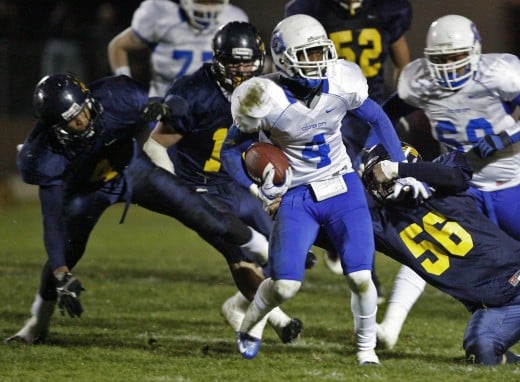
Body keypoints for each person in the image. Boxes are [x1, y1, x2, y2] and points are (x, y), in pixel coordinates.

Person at [381, 14, 520, 348]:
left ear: (474, 51)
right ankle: (389, 328)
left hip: (508, 183)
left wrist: (505, 136)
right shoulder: (420, 81)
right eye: (441, 59)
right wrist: (392, 146)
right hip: (457, 185)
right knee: (429, 249)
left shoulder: (498, 73)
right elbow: (385, 114)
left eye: (456, 57)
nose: (449, 67)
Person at [4, 72, 271, 344]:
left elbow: (176, 106)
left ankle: (263, 247)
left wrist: (163, 108)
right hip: (86, 193)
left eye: (84, 111)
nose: (83, 121)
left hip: (132, 169)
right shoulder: (42, 154)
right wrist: (61, 273)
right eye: (73, 121)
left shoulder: (116, 97)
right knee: (66, 252)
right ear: (55, 128)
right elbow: (50, 220)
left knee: (200, 211)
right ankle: (37, 321)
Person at [219, 14, 406, 365]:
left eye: (321, 52)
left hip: (342, 186)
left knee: (362, 277)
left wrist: (400, 168)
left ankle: (366, 349)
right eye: (307, 54)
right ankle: (249, 325)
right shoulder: (263, 96)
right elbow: (229, 150)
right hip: (297, 195)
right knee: (285, 285)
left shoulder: (340, 80)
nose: (318, 61)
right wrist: (256, 189)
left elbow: (378, 117)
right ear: (285, 57)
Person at [362, 143, 520, 366]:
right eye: (379, 176)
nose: (386, 181)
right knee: (482, 353)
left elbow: (456, 174)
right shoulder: (380, 226)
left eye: (386, 172)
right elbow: (334, 220)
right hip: (496, 308)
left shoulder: (446, 185)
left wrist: (400, 171)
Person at [141, 21, 305, 343]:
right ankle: (279, 321)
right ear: (218, 60)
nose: (242, 71)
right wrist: (177, 193)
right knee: (241, 250)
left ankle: (236, 307)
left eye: (248, 63)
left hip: (238, 182)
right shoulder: (195, 93)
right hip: (198, 185)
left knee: (286, 253)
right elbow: (154, 144)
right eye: (234, 63)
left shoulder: (267, 87)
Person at [284, 0, 414, 302]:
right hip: (332, 104)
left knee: (376, 187)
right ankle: (361, 268)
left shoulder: (387, 9)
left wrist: (401, 102)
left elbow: (401, 61)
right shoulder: (311, 9)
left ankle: (353, 258)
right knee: (341, 185)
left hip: (372, 102)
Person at [107, 0, 247, 97]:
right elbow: (118, 46)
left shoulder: (234, 18)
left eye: (213, 1)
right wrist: (125, 87)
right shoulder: (161, 15)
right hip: (166, 108)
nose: (208, 6)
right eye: (203, 1)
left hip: (213, 110)